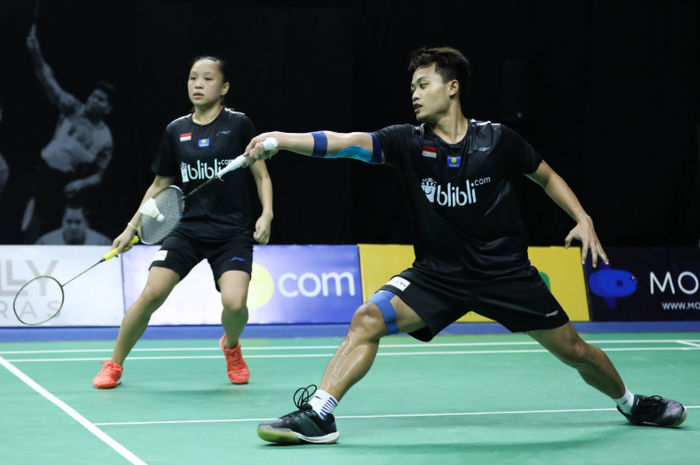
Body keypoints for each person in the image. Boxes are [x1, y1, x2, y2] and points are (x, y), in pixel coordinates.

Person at [244, 46, 687, 445]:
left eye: (424, 84)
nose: (414, 94)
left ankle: (631, 402)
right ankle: (320, 416)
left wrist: (583, 218)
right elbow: (343, 145)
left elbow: (546, 175)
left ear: (452, 88)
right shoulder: (407, 141)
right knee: (367, 318)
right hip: (438, 275)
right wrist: (281, 140)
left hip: (506, 274)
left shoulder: (498, 141)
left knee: (575, 350)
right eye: (412, 86)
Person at [92, 56, 274, 389]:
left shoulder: (239, 125)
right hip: (188, 230)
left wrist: (267, 213)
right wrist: (130, 228)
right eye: (193, 78)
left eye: (207, 79)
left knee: (235, 303)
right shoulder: (176, 130)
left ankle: (231, 346)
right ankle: (114, 364)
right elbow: (159, 186)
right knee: (151, 294)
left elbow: (261, 174)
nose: (198, 85)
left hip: (232, 232)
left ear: (225, 87)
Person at [22, 25, 115, 243]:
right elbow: (48, 80)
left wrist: (81, 184)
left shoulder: (106, 139)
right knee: (33, 223)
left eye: (101, 99)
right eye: (93, 95)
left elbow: (98, 175)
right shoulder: (73, 108)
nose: (94, 100)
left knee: (68, 224)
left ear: (108, 108)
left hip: (69, 184)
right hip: (44, 174)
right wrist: (35, 52)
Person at [35, 201, 111, 245]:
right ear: (62, 222)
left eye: (78, 222)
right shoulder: (46, 243)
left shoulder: (102, 243)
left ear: (86, 223)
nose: (73, 227)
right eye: (69, 222)